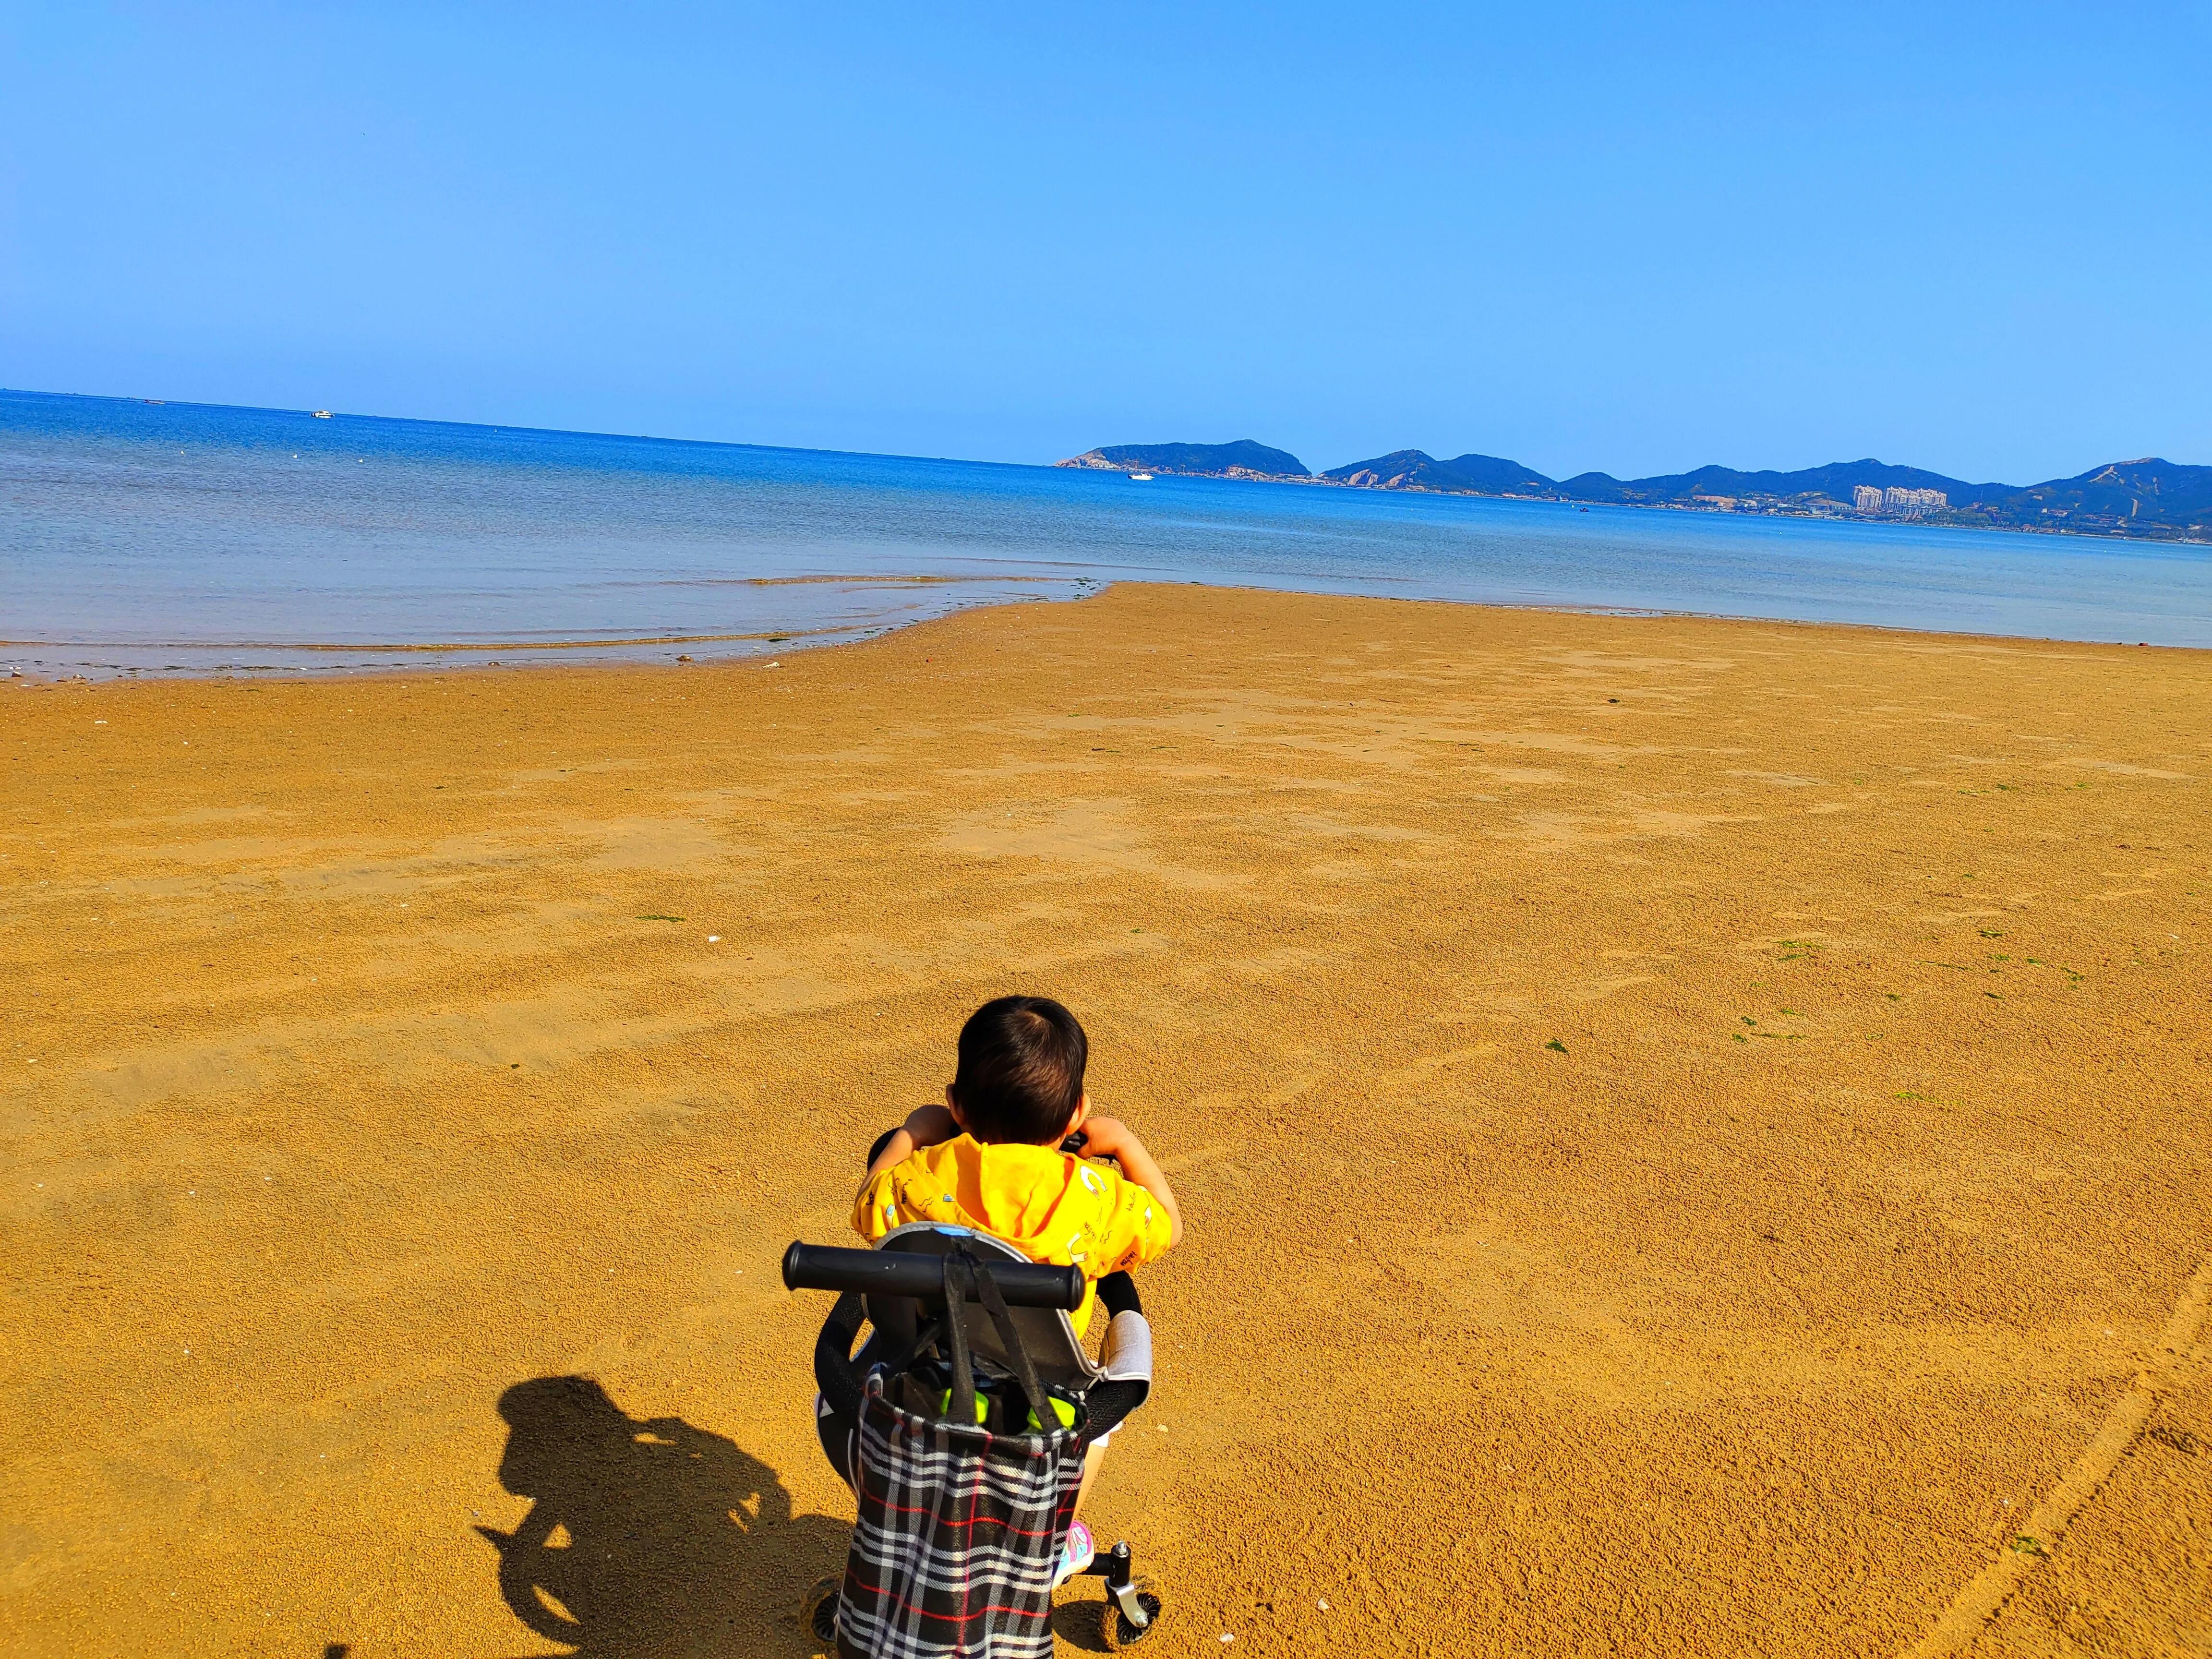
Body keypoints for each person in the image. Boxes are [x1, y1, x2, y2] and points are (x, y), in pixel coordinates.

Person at [853, 993, 1182, 1583]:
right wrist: (1124, 1143)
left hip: (927, 1376)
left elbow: (868, 1202)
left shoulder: (922, 1176)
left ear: (956, 1105)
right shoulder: (1092, 1198)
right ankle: (1050, 1539)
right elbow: (1168, 1224)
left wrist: (911, 1132)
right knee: (1106, 1401)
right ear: (1076, 1114)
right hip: (1043, 1402)